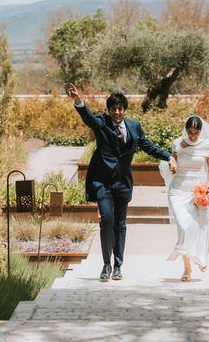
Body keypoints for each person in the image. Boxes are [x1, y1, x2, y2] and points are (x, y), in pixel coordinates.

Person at [66, 83, 177, 282]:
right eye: (113, 109)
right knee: (106, 220)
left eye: (120, 108)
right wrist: (78, 100)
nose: (117, 112)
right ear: (109, 110)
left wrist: (168, 156)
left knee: (120, 224)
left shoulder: (134, 127)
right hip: (102, 182)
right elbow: (88, 118)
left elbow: (147, 146)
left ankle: (118, 265)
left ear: (124, 110)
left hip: (123, 183)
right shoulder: (102, 122)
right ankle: (106, 264)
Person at [161, 115, 209, 281]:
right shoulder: (177, 143)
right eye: (190, 132)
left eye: (196, 133)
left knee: (199, 226)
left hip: (198, 191)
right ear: (186, 130)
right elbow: (172, 162)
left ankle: (192, 264)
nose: (192, 136)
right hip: (178, 190)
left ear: (200, 132)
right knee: (183, 226)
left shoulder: (206, 145)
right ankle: (188, 264)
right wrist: (172, 165)